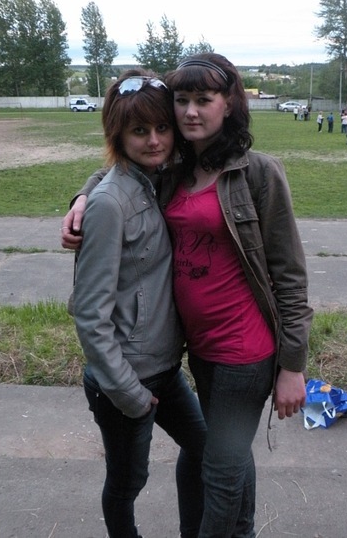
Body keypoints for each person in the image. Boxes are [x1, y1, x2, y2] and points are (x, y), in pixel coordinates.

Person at [63, 53, 313, 538]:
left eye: (204, 99)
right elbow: (120, 169)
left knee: (220, 468)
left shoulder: (258, 173)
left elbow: (291, 275)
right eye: (182, 100)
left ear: (229, 103)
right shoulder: (179, 166)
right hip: (195, 352)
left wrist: (293, 364)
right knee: (214, 455)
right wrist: (84, 196)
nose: (190, 112)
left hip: (243, 350)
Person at [68, 69, 206, 538]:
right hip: (125, 378)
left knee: (204, 447)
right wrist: (129, 394)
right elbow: (89, 313)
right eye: (139, 130)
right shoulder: (111, 204)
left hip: (164, 369)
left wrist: (83, 190)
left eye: (162, 127)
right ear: (118, 134)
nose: (154, 141)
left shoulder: (157, 178)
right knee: (128, 482)